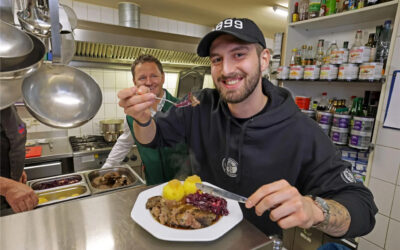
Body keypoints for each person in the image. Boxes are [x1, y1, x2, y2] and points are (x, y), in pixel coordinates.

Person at [117, 18, 377, 238]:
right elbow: (153, 137)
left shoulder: (301, 131)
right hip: (198, 239)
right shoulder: (198, 105)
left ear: (264, 59)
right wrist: (142, 119)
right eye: (217, 59)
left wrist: (315, 210)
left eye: (239, 54)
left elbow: (362, 207)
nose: (226, 69)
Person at [103, 54, 191, 185]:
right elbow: (124, 143)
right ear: (135, 82)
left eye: (154, 75)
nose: (149, 82)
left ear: (163, 77)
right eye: (142, 77)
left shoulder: (182, 108)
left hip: (183, 184)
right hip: (152, 184)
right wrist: (106, 168)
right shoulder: (133, 114)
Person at [0, 105, 38, 214]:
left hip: (9, 194)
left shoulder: (5, 101)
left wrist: (17, 168)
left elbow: (14, 138)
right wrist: (6, 186)